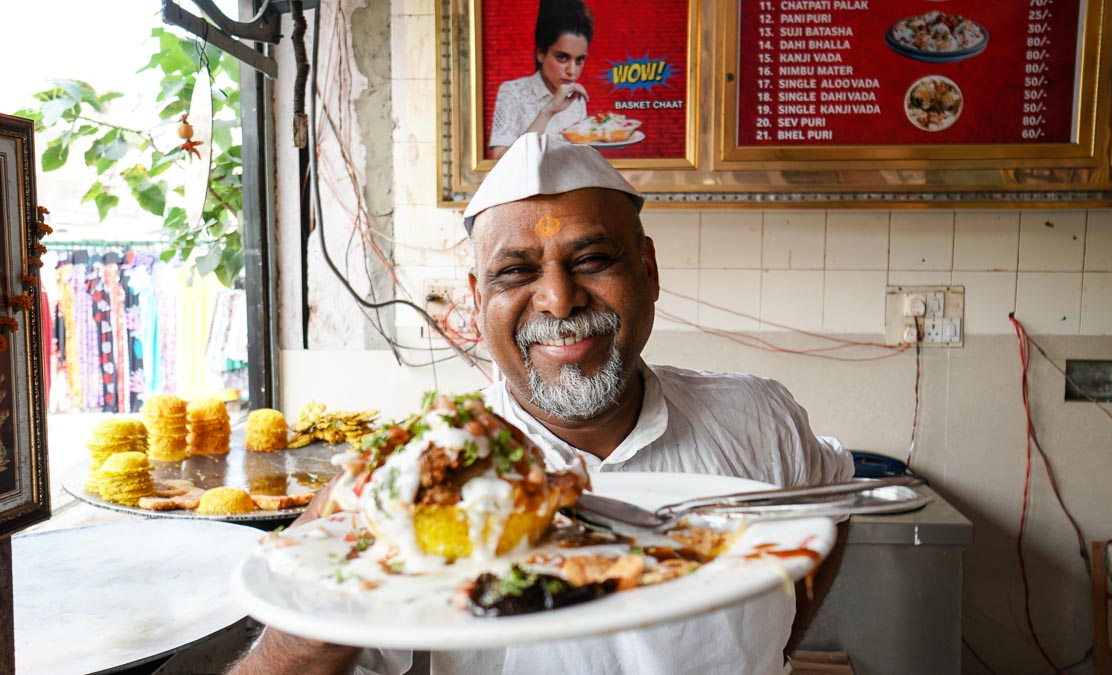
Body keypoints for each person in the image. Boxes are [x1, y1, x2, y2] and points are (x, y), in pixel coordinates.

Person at [229, 133, 853, 675]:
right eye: (516, 273)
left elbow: (836, 502)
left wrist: (781, 646)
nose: (558, 299)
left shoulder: (758, 418)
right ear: (476, 300)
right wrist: (327, 581)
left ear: (648, 269)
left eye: (592, 259)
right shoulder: (416, 479)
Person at [489, 0, 593, 160]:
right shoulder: (512, 92)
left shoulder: (577, 100)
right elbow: (500, 162)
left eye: (579, 60)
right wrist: (548, 111)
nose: (572, 71)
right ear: (541, 54)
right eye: (562, 57)